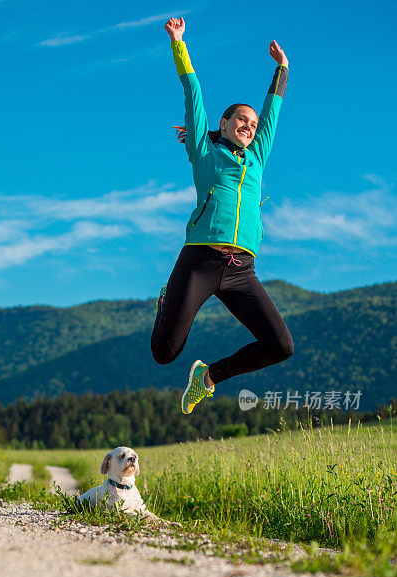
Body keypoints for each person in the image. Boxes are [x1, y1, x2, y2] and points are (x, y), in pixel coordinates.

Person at [151, 16, 294, 414]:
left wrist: (282, 68)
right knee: (164, 353)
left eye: (253, 123)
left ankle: (208, 378)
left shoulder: (257, 156)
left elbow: (274, 109)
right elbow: (192, 92)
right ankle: (167, 301)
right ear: (224, 125)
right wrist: (179, 43)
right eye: (240, 120)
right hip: (199, 261)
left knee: (280, 345)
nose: (249, 125)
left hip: (241, 270)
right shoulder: (204, 152)